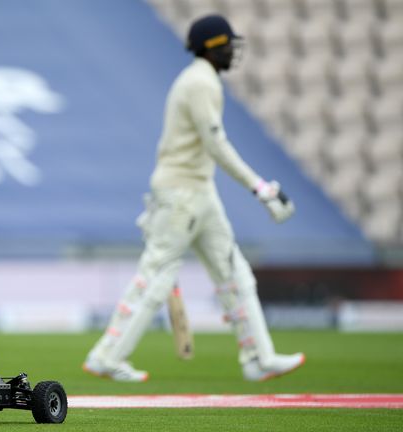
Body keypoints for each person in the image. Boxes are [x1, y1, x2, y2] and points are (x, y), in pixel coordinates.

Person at [82, 14, 305, 382]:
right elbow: (215, 143)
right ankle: (106, 356)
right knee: (156, 276)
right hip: (181, 193)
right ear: (213, 47)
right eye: (228, 44)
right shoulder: (200, 82)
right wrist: (259, 187)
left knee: (235, 273)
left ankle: (258, 356)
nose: (234, 50)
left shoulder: (201, 80)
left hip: (200, 191)